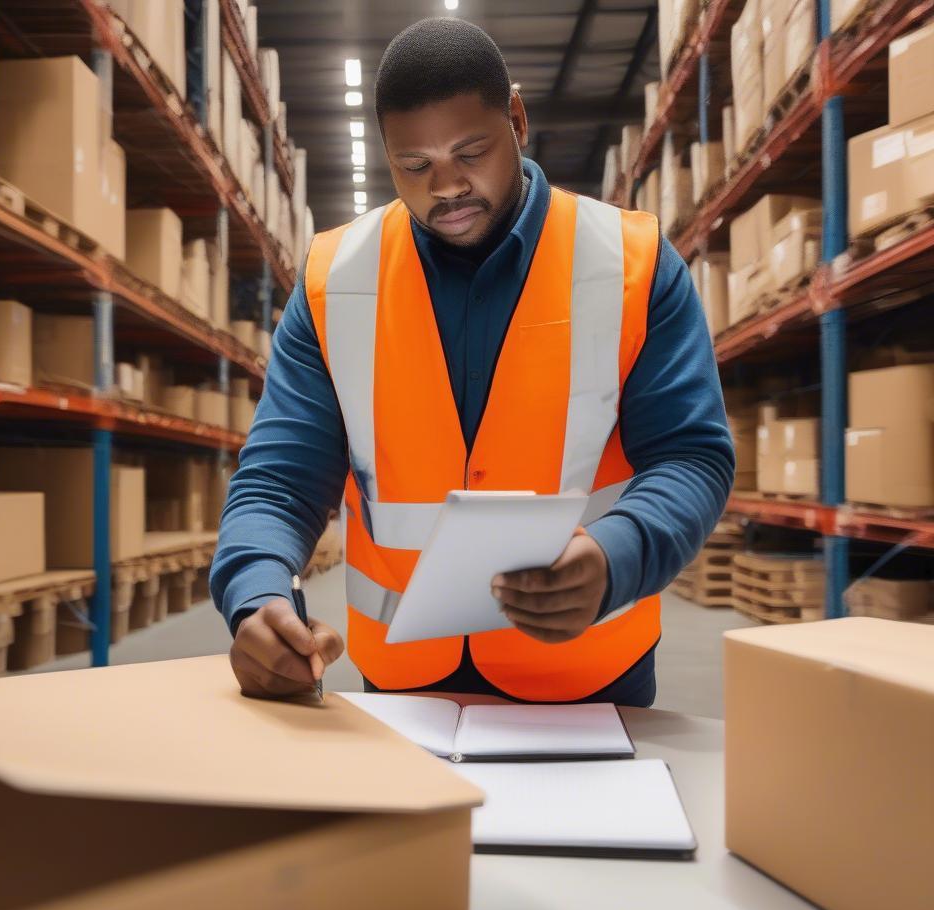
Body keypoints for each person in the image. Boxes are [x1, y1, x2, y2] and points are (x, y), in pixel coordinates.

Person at [210, 17, 734, 705]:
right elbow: (280, 478)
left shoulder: (632, 265)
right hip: (402, 683)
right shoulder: (334, 280)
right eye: (414, 165)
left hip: (586, 672)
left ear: (515, 118)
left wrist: (619, 554)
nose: (446, 187)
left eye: (470, 152)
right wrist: (255, 594)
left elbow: (692, 456)